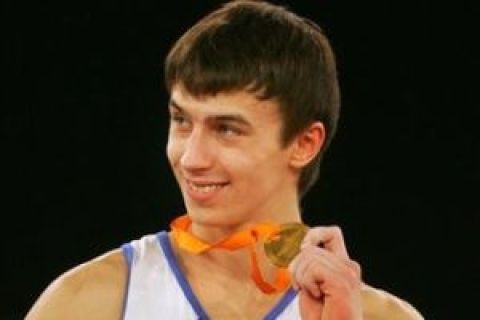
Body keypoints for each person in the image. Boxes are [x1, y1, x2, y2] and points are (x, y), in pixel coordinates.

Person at [27, 1, 424, 319]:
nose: (191, 158)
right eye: (181, 121)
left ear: (304, 143)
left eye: (227, 129)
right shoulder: (88, 303)